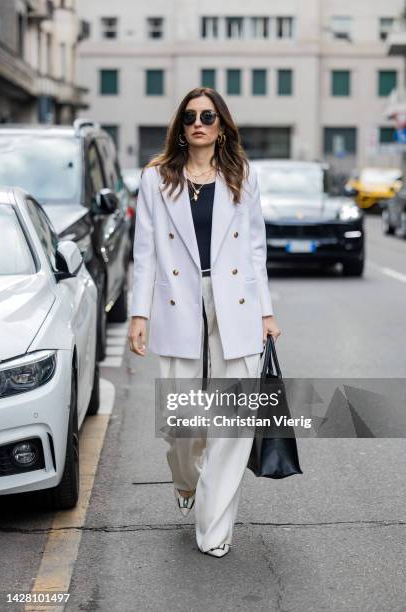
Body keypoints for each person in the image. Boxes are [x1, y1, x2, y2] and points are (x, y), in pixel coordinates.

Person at [128, 87, 281, 558]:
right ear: (181, 125)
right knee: (183, 424)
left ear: (221, 126)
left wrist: (266, 312)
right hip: (178, 300)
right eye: (190, 116)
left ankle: (213, 530)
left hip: (233, 299)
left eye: (208, 116)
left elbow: (256, 250)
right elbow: (145, 252)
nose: (198, 123)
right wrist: (139, 313)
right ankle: (185, 479)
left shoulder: (241, 176)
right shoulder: (156, 179)